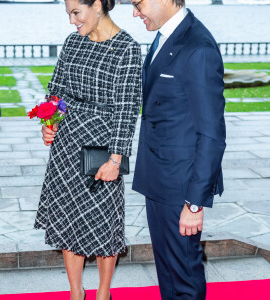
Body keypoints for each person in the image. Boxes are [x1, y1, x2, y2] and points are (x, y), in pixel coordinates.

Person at [33, 0, 142, 299]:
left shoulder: (127, 49)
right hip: (67, 144)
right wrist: (49, 121)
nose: (72, 21)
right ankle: (75, 293)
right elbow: (57, 90)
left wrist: (116, 158)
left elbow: (126, 108)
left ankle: (103, 293)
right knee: (69, 217)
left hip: (101, 149)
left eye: (75, 13)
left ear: (97, 6)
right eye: (68, 14)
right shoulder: (73, 42)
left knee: (104, 220)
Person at [131, 0, 226, 299]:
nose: (135, 13)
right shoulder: (164, 36)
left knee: (183, 275)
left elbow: (212, 135)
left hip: (181, 188)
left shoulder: (198, 48)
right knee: (168, 272)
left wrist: (194, 203)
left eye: (137, 3)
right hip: (158, 177)